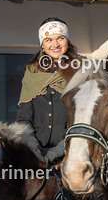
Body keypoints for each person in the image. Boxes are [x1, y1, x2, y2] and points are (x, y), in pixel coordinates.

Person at [17, 17, 80, 166]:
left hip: (72, 154)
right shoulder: (32, 72)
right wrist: (34, 148)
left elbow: (83, 120)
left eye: (60, 38)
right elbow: (23, 118)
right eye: (48, 40)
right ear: (42, 45)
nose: (55, 44)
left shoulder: (81, 71)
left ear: (68, 41)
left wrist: (57, 151)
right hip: (35, 155)